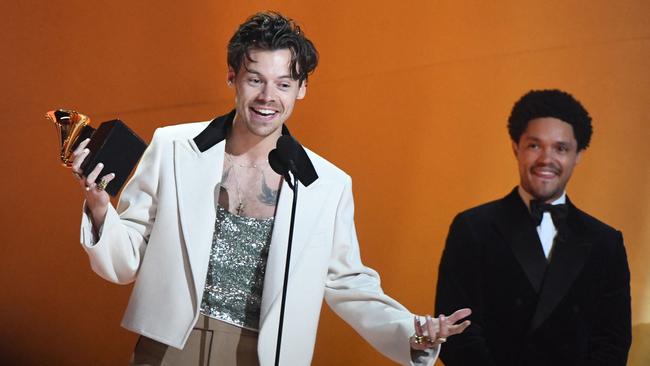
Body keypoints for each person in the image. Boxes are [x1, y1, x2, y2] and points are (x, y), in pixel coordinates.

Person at [70, 11, 470, 366]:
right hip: (168, 348)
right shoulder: (173, 148)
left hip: (264, 354)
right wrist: (102, 209)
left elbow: (349, 283)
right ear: (233, 77)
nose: (267, 97)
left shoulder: (327, 185)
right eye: (255, 79)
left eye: (283, 83)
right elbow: (127, 260)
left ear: (302, 88)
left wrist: (413, 331)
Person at [435, 89, 632, 365]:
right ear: (516, 146)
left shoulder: (606, 242)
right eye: (535, 145)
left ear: (578, 155)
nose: (546, 159)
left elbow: (612, 341)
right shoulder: (472, 228)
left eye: (561, 148)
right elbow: (457, 332)